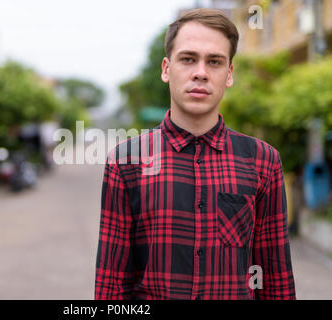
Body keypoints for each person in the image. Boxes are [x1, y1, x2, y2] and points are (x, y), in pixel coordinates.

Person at [95, 8, 296, 300]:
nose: (201, 72)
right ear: (166, 69)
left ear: (229, 75)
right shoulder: (127, 161)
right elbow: (112, 283)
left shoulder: (263, 161)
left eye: (214, 61)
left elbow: (274, 277)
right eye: (188, 59)